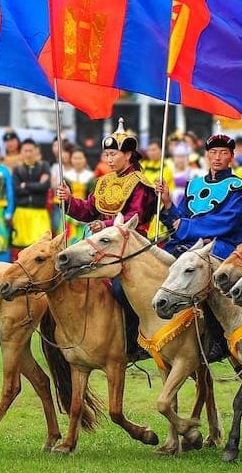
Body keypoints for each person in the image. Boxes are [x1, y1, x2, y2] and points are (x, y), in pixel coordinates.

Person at [54, 128, 157, 360]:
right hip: (100, 245)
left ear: (128, 155)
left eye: (113, 154)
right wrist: (69, 201)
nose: (109, 159)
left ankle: (135, 341)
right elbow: (89, 210)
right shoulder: (103, 182)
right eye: (107, 154)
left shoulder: (141, 185)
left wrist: (106, 224)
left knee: (121, 290)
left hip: (130, 249)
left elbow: (136, 219)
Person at [157, 133, 242, 259]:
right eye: (213, 152)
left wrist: (186, 226)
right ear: (207, 155)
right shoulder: (194, 184)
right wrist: (167, 202)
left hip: (219, 245)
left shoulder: (239, 187)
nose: (217, 157)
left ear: (232, 156)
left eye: (224, 153)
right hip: (187, 243)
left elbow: (226, 222)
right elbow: (179, 221)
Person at [10, 139, 51, 257]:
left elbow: (45, 187)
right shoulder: (17, 169)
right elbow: (17, 189)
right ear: (21, 152)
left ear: (36, 151)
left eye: (30, 150)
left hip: (39, 212)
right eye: (25, 151)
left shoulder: (44, 166)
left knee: (42, 246)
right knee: (21, 248)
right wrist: (36, 185)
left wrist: (26, 185)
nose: (28, 153)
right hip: (22, 212)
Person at [61, 146, 96, 243]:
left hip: (86, 212)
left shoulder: (91, 177)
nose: (77, 161)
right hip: (69, 215)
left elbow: (92, 197)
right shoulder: (65, 176)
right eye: (75, 158)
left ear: (85, 159)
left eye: (80, 158)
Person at [141, 140, 173, 241]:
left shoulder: (166, 168)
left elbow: (164, 187)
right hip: (143, 206)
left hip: (158, 206)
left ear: (161, 150)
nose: (151, 152)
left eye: (154, 149)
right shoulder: (143, 165)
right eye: (149, 150)